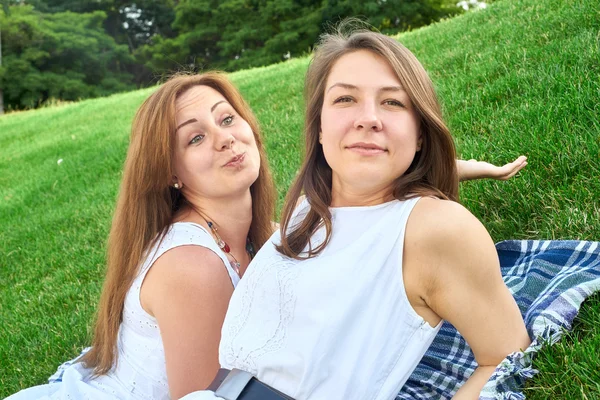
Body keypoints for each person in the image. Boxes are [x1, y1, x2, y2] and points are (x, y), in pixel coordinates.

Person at [7, 71, 526, 399]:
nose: (225, 139)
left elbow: (358, 195)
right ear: (172, 173)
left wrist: (470, 168)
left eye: (227, 118)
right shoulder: (194, 268)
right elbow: (196, 394)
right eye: (195, 138)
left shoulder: (265, 228)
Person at [182, 28, 531, 400]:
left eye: (393, 103)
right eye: (346, 99)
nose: (368, 119)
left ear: (420, 135)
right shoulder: (308, 211)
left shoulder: (435, 228)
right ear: (320, 127)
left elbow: (505, 356)